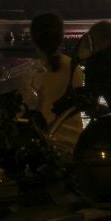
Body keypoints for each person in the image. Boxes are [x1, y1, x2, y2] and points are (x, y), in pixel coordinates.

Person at [15, 13, 83, 150]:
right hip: (74, 142)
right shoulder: (75, 68)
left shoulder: (31, 72)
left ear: (34, 38)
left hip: (46, 143)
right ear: (60, 37)